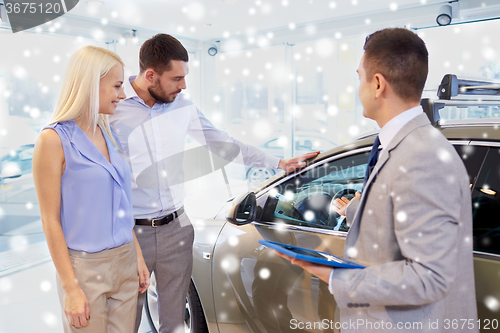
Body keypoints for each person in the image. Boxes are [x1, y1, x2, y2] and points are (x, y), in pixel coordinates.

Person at [109, 33, 320, 333]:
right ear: (151, 75)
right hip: (132, 232)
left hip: (176, 229)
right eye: (177, 78)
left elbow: (223, 144)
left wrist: (279, 163)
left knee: (175, 320)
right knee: (125, 320)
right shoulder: (114, 108)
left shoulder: (182, 106)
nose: (183, 85)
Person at [276, 28, 478, 333]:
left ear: (378, 84)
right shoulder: (402, 145)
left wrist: (333, 275)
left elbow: (428, 278)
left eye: (359, 78)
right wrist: (355, 211)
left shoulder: (424, 157)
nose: (358, 88)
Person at [32, 46, 150, 333]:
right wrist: (71, 287)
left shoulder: (107, 131)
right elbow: (50, 221)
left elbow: (121, 204)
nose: (123, 95)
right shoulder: (52, 140)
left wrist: (137, 256)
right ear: (89, 82)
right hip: (85, 269)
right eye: (117, 86)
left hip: (124, 261)